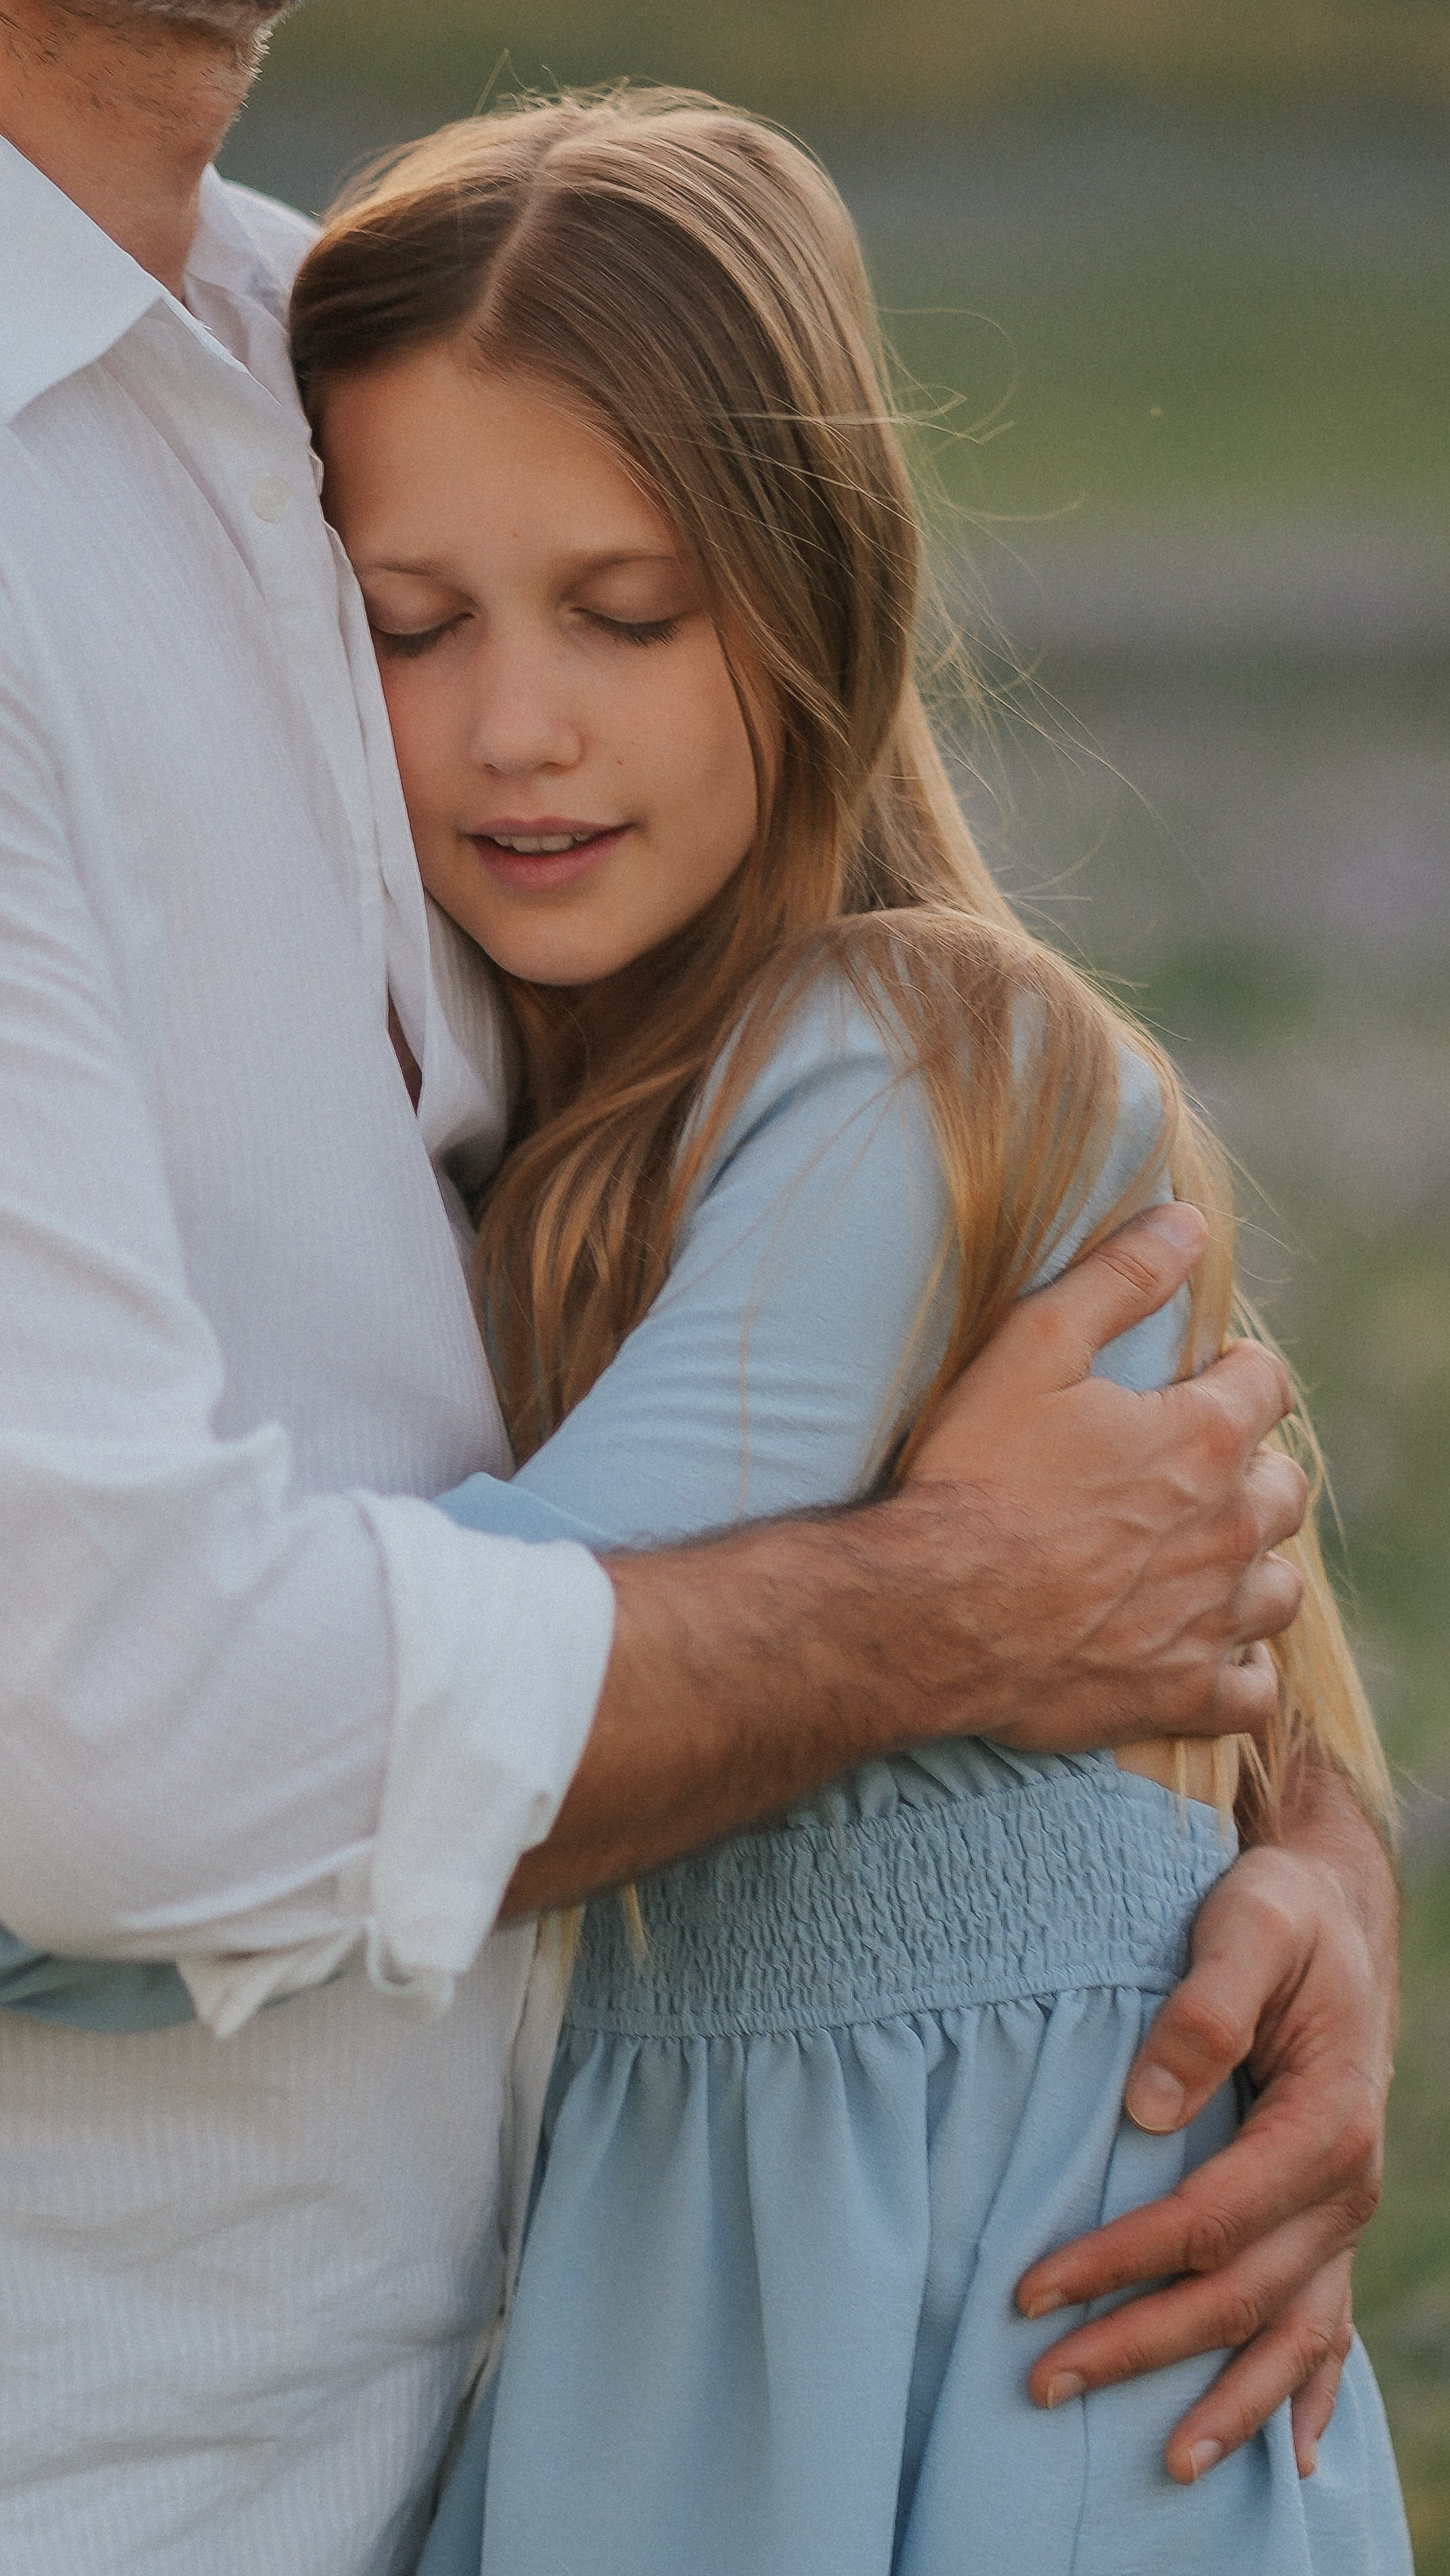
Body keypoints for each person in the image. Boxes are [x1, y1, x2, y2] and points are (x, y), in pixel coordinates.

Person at [0, 7, 1395, 2571]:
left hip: (990, 2348)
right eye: (417, 631)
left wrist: (1315, 1855)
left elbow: (579, 1635)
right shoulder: (613, 1074)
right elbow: (144, 1744)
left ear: (809, 600)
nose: (515, 725)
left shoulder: (891, 1058)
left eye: (626, 614)